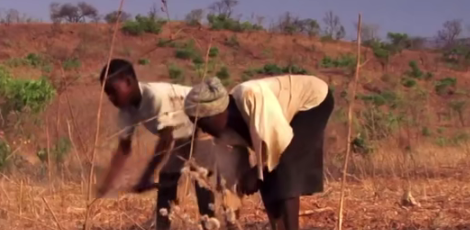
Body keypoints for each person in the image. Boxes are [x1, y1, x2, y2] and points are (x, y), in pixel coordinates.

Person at [183, 74, 335, 230]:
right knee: (267, 176)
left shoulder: (251, 96)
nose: (201, 129)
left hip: (313, 101)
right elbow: (234, 172)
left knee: (284, 168)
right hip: (282, 124)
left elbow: (278, 141)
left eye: (201, 122)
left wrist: (257, 172)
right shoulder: (226, 132)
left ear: (214, 113)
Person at [95, 58, 232, 230]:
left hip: (204, 123)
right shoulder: (126, 112)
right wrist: (105, 186)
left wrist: (146, 176)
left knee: (201, 178)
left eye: (112, 91)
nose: (110, 97)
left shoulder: (154, 97)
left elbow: (165, 140)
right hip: (183, 134)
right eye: (107, 93)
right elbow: (124, 148)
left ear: (128, 81)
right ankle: (163, 225)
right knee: (168, 176)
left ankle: (211, 224)